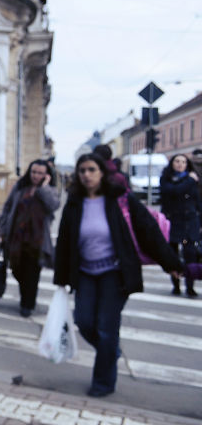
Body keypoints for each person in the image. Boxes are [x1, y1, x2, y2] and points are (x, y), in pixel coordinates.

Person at [53, 153, 181, 398]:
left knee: (106, 328)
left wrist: (171, 263)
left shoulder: (120, 200)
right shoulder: (74, 202)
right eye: (82, 171)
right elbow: (65, 241)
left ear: (102, 172)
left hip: (115, 273)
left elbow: (149, 231)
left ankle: (103, 383)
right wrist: (61, 277)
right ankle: (110, 351)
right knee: (84, 321)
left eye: (91, 169)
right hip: (86, 273)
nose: (86, 175)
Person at [0, 160, 61, 316]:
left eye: (40, 173)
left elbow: (53, 205)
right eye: (33, 172)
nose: (36, 176)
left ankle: (27, 304)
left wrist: (44, 187)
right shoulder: (20, 187)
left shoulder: (49, 190)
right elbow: (7, 207)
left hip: (37, 240)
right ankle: (25, 296)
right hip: (17, 237)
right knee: (17, 270)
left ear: (46, 175)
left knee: (33, 273)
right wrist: (3, 228)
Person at [159, 153, 200, 298]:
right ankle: (175, 284)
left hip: (190, 222)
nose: (180, 164)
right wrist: (189, 180)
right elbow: (174, 191)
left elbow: (197, 200)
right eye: (177, 161)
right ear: (172, 163)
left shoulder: (192, 179)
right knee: (173, 255)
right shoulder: (167, 178)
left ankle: (190, 286)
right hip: (173, 222)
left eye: (183, 161)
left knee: (191, 254)